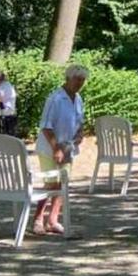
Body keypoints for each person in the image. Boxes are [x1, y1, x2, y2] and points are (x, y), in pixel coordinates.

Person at [33, 64, 88, 236]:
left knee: (63, 183)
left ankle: (53, 220)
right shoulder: (55, 99)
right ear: (68, 78)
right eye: (77, 79)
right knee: (51, 183)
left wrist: (79, 134)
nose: (79, 83)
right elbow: (46, 127)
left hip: (68, 147)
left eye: (82, 80)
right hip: (50, 147)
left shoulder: (78, 98)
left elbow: (80, 122)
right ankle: (37, 219)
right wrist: (56, 148)